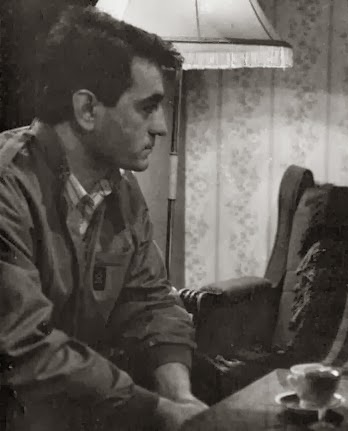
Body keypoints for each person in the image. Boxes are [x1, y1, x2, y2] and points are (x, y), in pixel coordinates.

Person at [0, 6, 208, 431]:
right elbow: (23, 348)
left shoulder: (121, 190)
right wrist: (157, 412)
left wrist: (180, 397)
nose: (160, 127)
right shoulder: (7, 187)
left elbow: (151, 301)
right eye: (147, 107)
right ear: (87, 109)